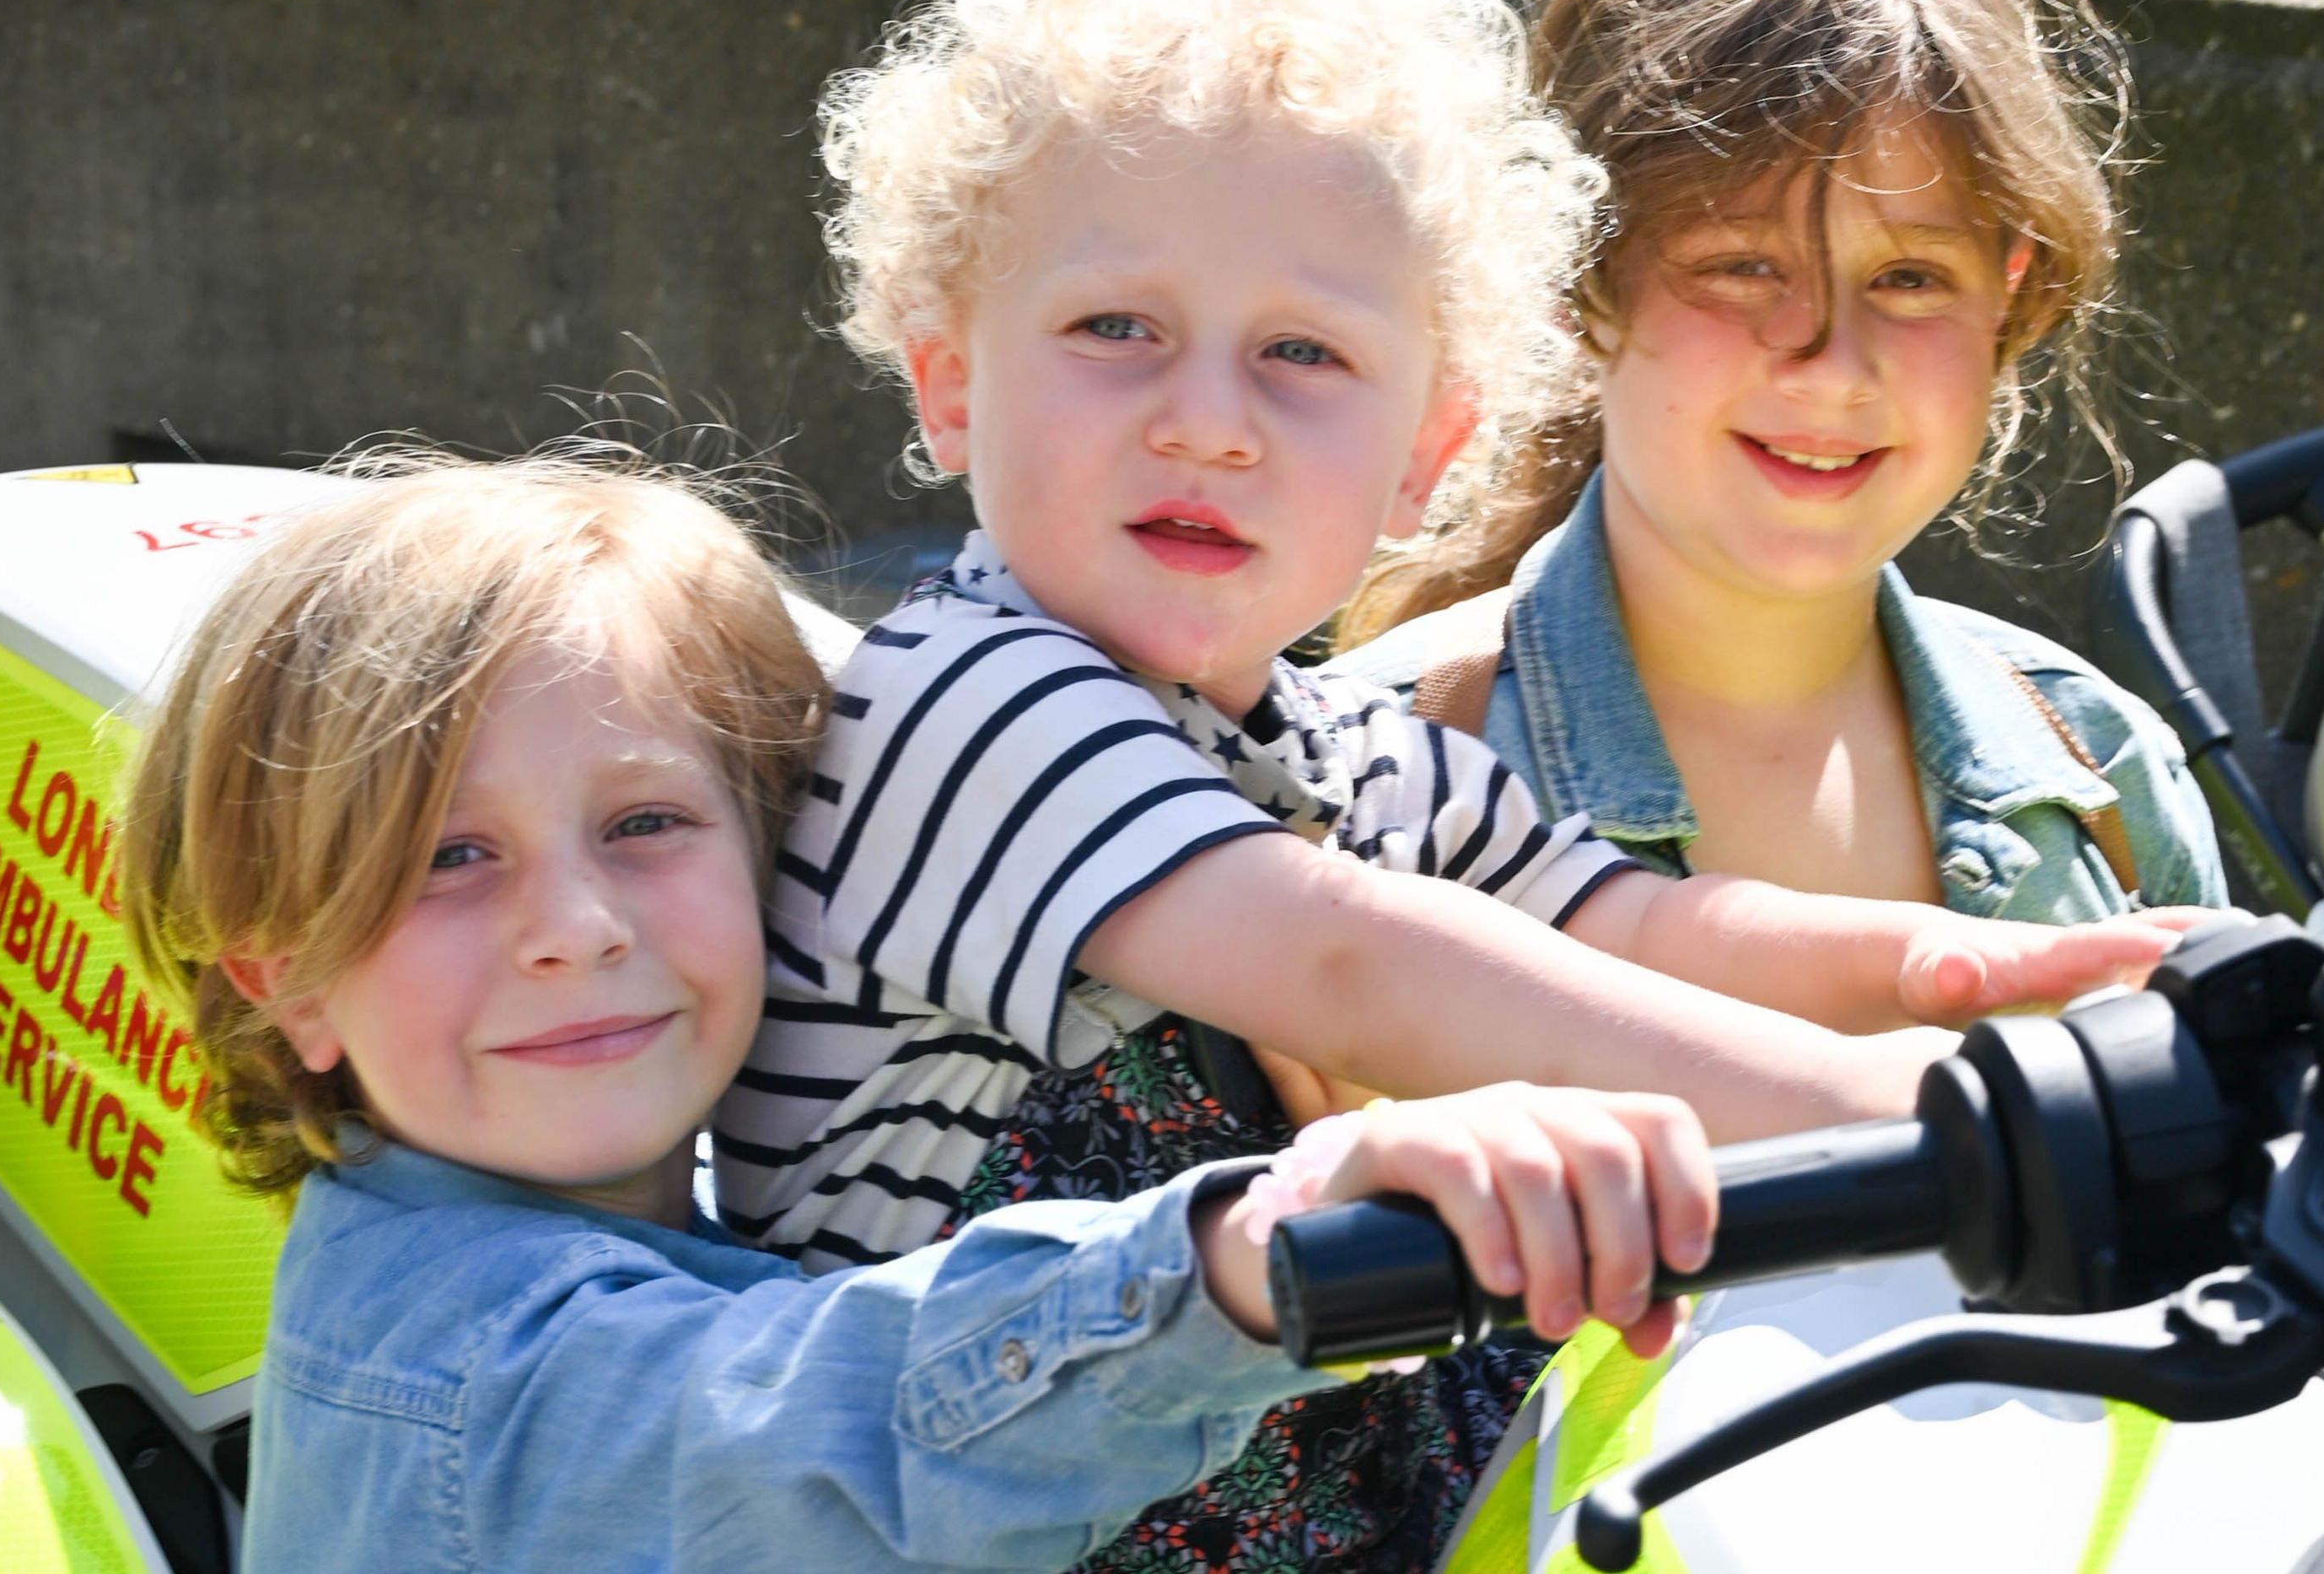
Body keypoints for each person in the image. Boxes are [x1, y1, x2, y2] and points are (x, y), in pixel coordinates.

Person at [713, 0, 2189, 1572]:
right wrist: (1934, 1126)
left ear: (1430, 452)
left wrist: (1938, 975)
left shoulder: (1338, 744)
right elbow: (1361, 962)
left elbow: (1627, 925)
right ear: (948, 382)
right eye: (1116, 330)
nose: (1208, 417)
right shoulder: (967, 701)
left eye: (1304, 355)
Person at [116, 450, 1723, 1574]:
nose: (574, 930)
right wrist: (1259, 1250)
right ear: (284, 977)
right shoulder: (462, 1376)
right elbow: (815, 1432)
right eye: (448, 859)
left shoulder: (634, 1195)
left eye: (647, 825)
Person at [1333, 0, 2225, 928]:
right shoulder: (1354, 793)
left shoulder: (2106, 772)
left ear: (2010, 286)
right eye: (1743, 268)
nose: (1832, 365)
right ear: (1571, 278)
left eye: (1909, 276)